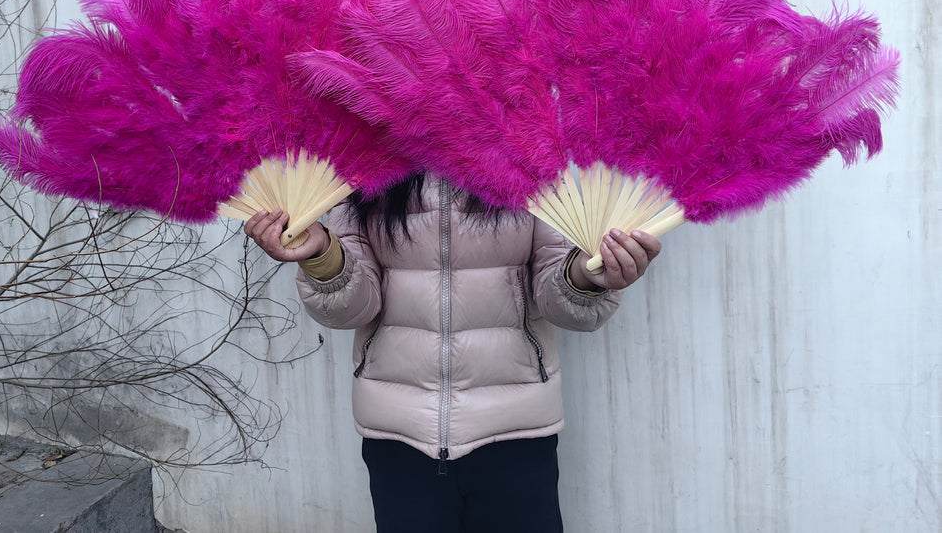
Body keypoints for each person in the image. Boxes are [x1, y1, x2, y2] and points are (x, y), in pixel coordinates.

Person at [244, 173, 661, 533]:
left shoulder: (531, 157)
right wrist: (321, 256)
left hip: (515, 434)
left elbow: (557, 291)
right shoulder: (367, 161)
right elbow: (355, 306)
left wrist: (588, 278)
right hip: (401, 438)